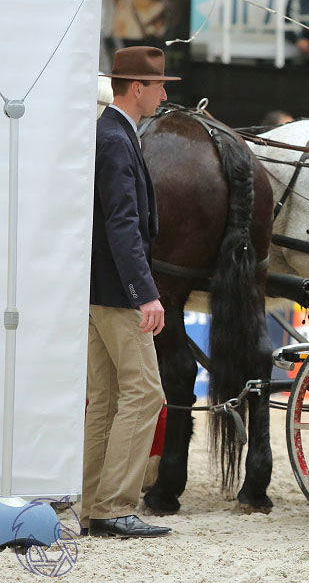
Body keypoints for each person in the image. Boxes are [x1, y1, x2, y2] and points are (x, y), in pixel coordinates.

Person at [82, 46, 175, 539]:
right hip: (119, 292)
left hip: (97, 289)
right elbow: (122, 224)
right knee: (144, 394)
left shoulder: (111, 133)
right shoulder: (117, 139)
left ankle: (90, 500)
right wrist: (145, 293)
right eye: (159, 85)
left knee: (107, 396)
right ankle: (114, 505)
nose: (163, 93)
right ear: (136, 88)